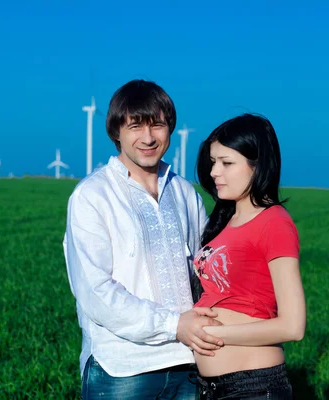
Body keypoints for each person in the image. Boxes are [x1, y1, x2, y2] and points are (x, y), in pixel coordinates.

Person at [63, 79, 225, 399]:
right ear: (116, 132)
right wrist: (174, 324)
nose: (148, 138)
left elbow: (206, 271)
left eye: (158, 125)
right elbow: (95, 293)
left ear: (170, 129)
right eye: (135, 126)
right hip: (121, 369)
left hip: (188, 363)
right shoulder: (92, 196)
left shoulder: (185, 193)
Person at [192, 113, 306, 399]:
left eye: (227, 163)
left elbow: (293, 326)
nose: (214, 172)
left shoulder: (274, 222)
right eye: (213, 162)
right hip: (213, 388)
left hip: (254, 387)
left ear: (258, 166)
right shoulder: (223, 221)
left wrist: (212, 333)